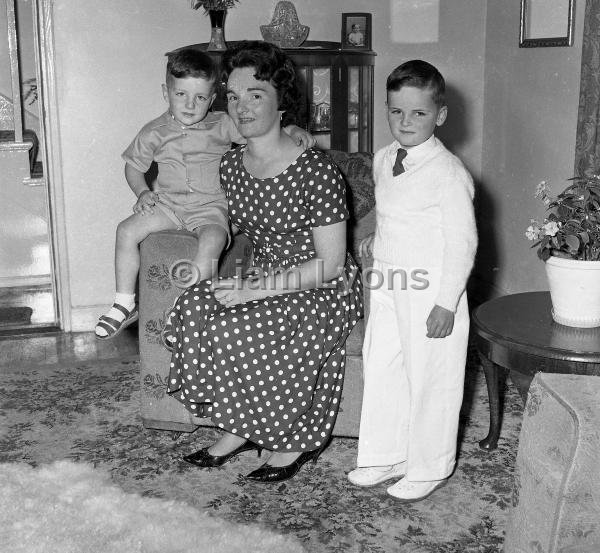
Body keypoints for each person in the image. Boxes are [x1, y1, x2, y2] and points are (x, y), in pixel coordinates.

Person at [161, 40, 363, 483]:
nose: (241, 107)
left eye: (256, 94)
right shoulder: (231, 164)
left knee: (237, 327)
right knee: (193, 308)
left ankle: (292, 441)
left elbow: (329, 264)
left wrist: (251, 290)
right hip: (266, 271)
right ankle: (240, 428)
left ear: (282, 101)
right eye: (232, 96)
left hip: (322, 285)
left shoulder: (316, 171)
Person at [95, 48, 313, 339]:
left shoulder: (222, 124)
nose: (189, 104)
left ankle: (185, 308)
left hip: (210, 207)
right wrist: (142, 192)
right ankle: (124, 303)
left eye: (199, 98)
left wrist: (293, 128)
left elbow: (260, 132)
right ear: (166, 92)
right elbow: (133, 168)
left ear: (211, 100)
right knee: (125, 230)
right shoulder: (153, 131)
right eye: (181, 94)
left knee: (212, 241)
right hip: (168, 205)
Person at [347, 60, 477, 502]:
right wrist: (373, 242)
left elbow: (462, 242)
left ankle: (431, 464)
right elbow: (395, 216)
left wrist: (446, 302)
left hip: (432, 291)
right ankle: (387, 452)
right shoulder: (384, 159)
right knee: (381, 365)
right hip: (388, 279)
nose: (405, 122)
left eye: (418, 113)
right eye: (396, 111)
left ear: (439, 115)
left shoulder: (448, 173)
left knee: (430, 377)